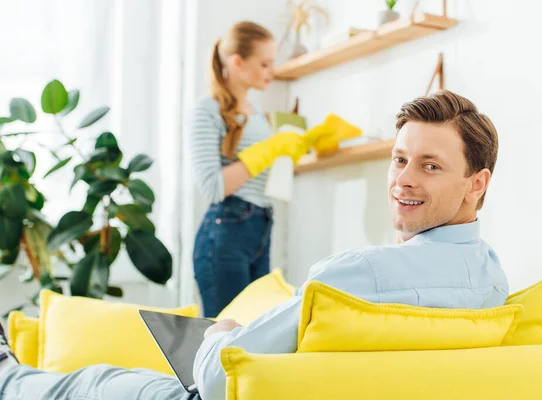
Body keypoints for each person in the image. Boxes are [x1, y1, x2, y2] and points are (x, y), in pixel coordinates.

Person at [0, 90, 507, 400]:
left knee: (87, 383)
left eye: (430, 165)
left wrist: (221, 333)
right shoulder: (490, 280)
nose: (403, 180)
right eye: (399, 159)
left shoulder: (356, 274)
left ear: (476, 183)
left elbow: (222, 383)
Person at [190, 21, 326, 318]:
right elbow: (212, 187)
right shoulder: (207, 110)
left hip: (259, 226)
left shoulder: (256, 115)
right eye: (264, 63)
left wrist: (308, 142)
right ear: (237, 63)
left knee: (253, 330)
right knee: (224, 334)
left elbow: (267, 166)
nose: (271, 71)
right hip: (225, 231)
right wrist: (268, 150)